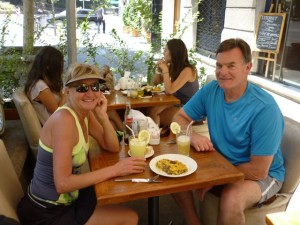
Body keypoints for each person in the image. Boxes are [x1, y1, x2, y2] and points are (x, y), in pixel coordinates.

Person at [171, 38, 285, 225]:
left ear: (248, 67)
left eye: (231, 66)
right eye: (219, 65)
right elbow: (179, 118)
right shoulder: (211, 91)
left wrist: (215, 179)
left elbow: (258, 171)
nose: (222, 72)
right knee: (175, 168)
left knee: (231, 199)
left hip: (266, 175)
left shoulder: (265, 108)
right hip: (222, 161)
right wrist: (191, 135)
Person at [17, 63, 147, 225]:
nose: (90, 93)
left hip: (70, 198)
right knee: (130, 218)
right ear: (67, 92)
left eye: (95, 86)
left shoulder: (83, 113)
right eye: (81, 88)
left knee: (111, 197)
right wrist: (116, 169)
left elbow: (112, 147)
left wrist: (102, 116)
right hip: (47, 211)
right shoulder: (64, 121)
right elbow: (62, 184)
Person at [148, 38, 199, 128]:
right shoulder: (173, 66)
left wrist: (165, 70)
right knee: (152, 111)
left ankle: (156, 136)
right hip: (176, 102)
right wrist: (159, 70)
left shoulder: (188, 70)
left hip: (189, 108)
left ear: (174, 53)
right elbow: (155, 83)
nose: (163, 52)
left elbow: (169, 90)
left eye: (166, 50)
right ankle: (156, 135)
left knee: (155, 115)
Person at [24, 46, 66, 125]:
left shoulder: (42, 83)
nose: (61, 68)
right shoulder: (40, 86)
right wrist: (67, 93)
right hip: (56, 126)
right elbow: (57, 112)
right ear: (48, 66)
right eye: (58, 65)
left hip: (59, 122)